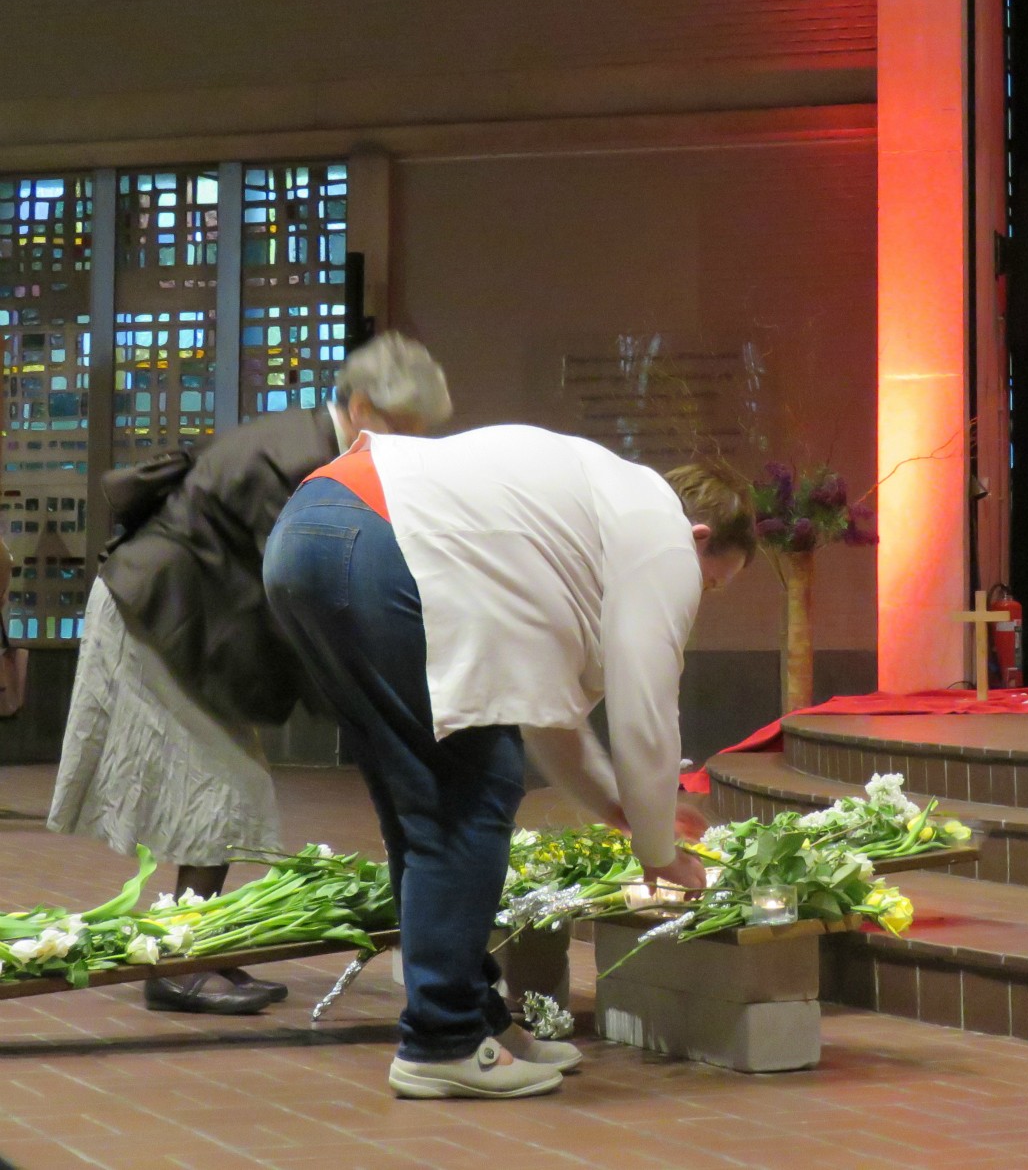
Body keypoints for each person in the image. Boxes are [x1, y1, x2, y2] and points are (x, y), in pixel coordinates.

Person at [263, 427, 755, 1101]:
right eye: (713, 583)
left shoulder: (592, 512)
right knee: (470, 788)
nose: (700, 598)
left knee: (430, 795)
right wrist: (656, 844)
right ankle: (443, 1040)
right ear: (698, 537)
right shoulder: (661, 534)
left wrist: (619, 808)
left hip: (310, 532)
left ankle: (472, 1018)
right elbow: (648, 711)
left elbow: (547, 716)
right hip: (377, 540)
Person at [48, 334, 453, 1014]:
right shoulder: (298, 461)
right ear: (361, 408)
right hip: (156, 614)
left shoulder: (308, 447)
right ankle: (178, 964)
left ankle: (198, 948)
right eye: (406, 432)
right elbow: (304, 589)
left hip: (179, 619)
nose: (412, 449)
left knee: (222, 786)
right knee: (222, 787)